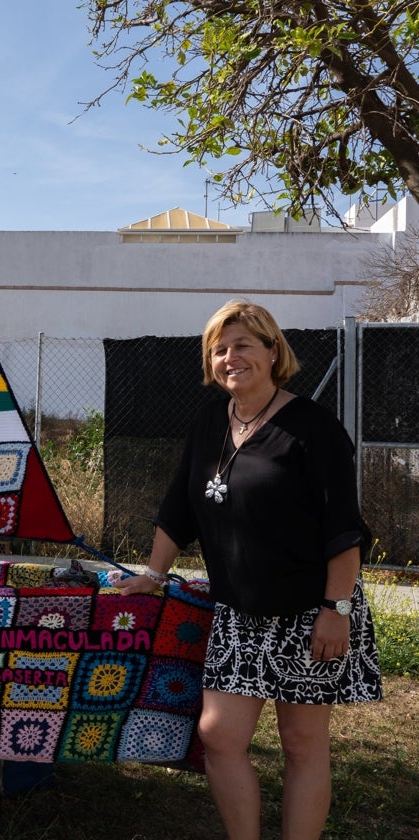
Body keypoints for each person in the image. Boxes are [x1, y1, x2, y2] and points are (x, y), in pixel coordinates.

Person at [117, 299, 381, 840]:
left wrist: (337, 610)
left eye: (242, 344)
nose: (229, 357)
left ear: (272, 351)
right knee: (219, 737)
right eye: (218, 348)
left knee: (302, 744)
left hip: (311, 612)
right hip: (238, 614)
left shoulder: (313, 428)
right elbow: (178, 508)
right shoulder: (210, 421)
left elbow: (344, 532)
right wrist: (155, 574)